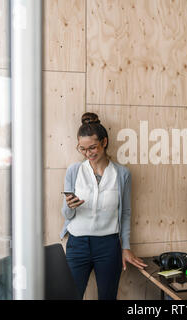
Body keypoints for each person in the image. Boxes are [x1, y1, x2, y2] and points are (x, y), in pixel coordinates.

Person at [60, 112, 147, 300]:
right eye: (82, 149)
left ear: (104, 142)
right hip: (77, 244)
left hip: (108, 246)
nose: (88, 153)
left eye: (92, 147)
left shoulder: (122, 174)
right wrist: (70, 206)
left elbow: (125, 213)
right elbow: (66, 215)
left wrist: (126, 247)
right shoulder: (74, 171)